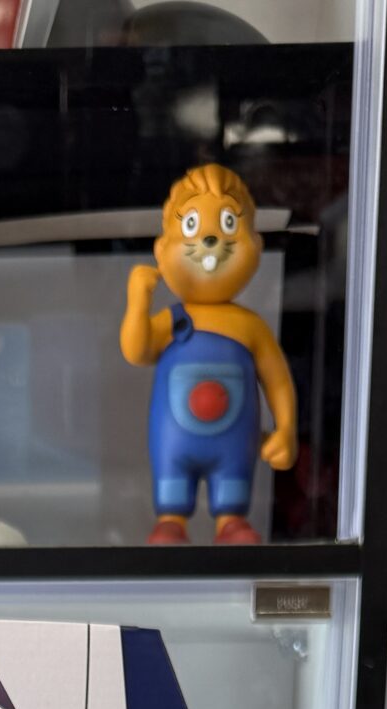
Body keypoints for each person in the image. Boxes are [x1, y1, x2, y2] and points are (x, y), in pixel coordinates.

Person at [120, 162, 297, 546]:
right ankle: (170, 521)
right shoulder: (173, 320)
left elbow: (277, 380)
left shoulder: (249, 326)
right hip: (174, 439)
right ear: (161, 249)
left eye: (229, 224)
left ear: (255, 245)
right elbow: (137, 351)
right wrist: (138, 303)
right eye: (191, 226)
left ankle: (230, 522)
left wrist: (286, 429)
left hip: (234, 442)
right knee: (171, 484)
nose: (211, 239)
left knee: (233, 487)